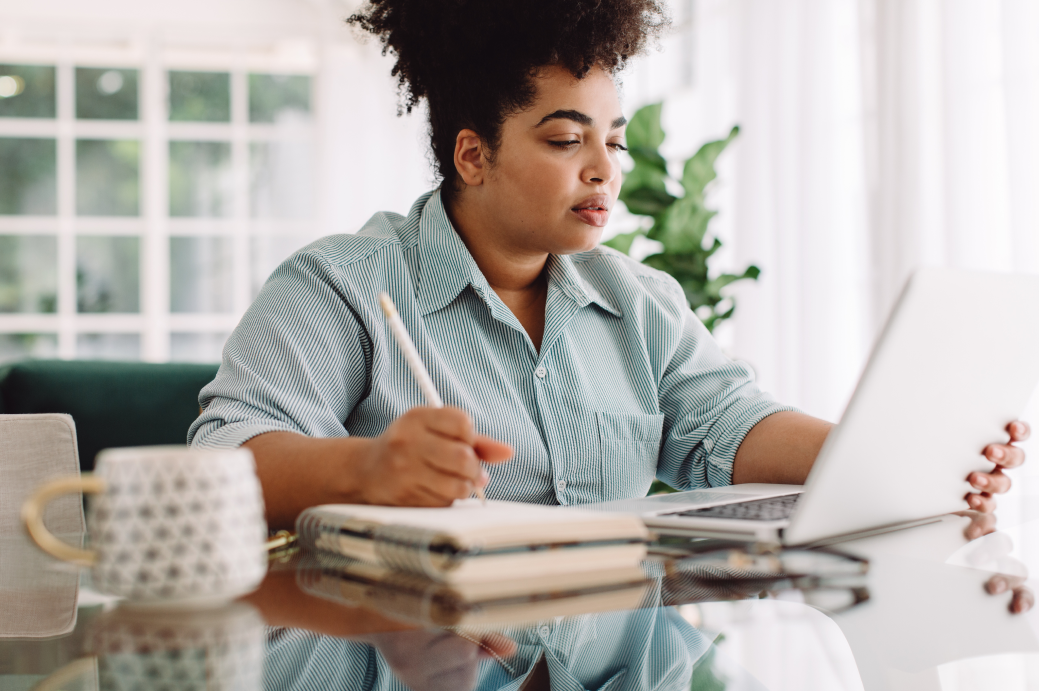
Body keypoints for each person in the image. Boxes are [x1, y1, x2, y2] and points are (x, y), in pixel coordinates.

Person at [187, 0, 1029, 530]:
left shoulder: (639, 300)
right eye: (564, 140)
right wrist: (367, 467)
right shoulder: (341, 285)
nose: (604, 169)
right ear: (472, 155)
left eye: (614, 140)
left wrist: (886, 455)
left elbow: (727, 425)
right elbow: (223, 459)